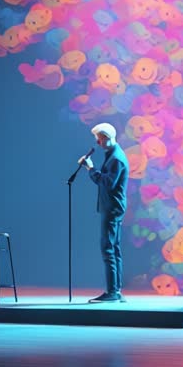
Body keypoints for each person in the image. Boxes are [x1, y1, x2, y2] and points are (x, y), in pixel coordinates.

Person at [78, 122, 128, 303]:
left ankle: (113, 292)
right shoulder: (113, 155)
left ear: (107, 138)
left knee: (108, 248)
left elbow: (107, 183)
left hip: (112, 208)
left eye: (99, 140)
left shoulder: (116, 159)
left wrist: (90, 168)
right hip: (113, 207)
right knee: (113, 248)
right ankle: (115, 290)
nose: (97, 143)